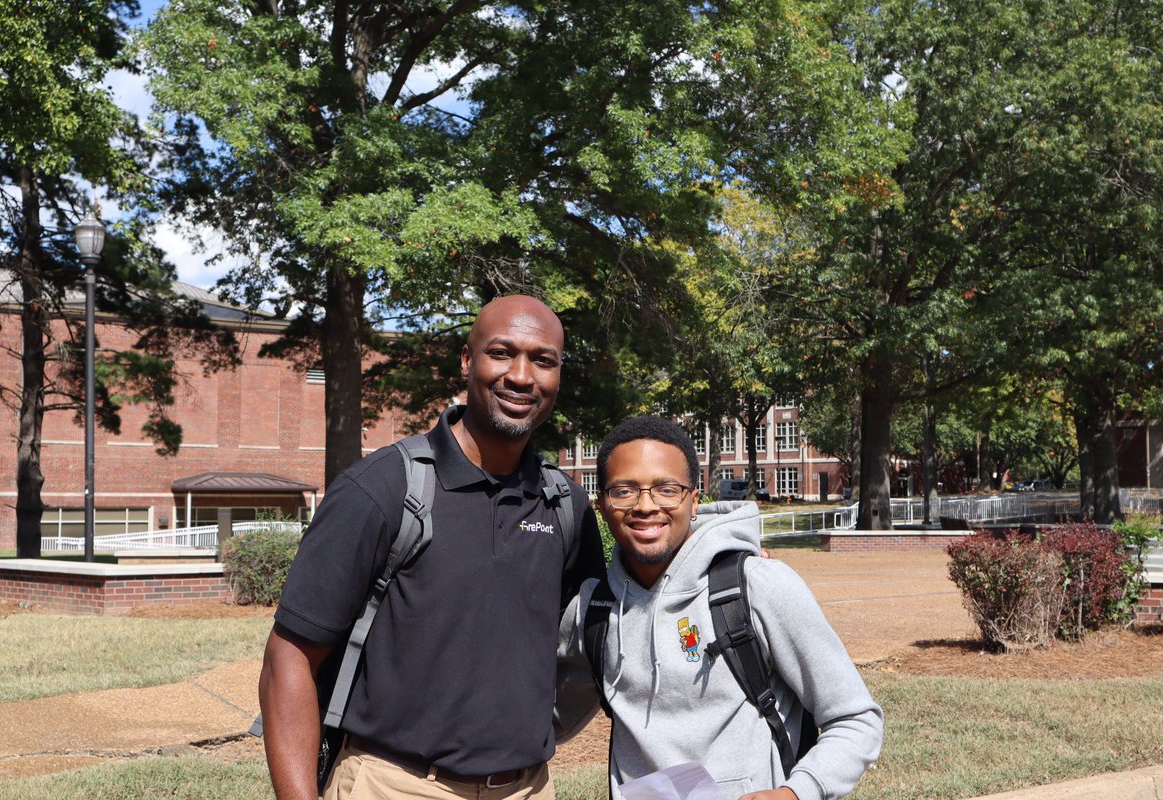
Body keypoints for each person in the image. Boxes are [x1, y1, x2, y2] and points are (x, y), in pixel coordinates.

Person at [259, 295, 606, 800]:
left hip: (529, 789)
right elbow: (287, 659)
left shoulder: (565, 506)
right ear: (467, 362)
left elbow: (593, 642)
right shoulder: (381, 490)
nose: (522, 375)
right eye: (502, 352)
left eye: (543, 360)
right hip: (394, 784)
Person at [558, 416, 883, 800]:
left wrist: (797, 793)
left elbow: (855, 718)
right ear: (602, 504)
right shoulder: (592, 611)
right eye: (624, 491)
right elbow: (547, 718)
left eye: (667, 489)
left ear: (694, 501)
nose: (646, 506)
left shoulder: (757, 586)